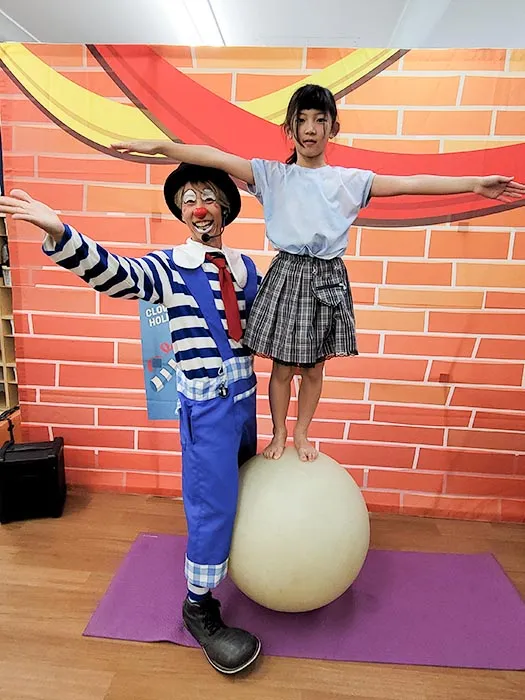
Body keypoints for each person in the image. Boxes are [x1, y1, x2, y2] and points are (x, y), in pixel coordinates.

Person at [111, 84, 524, 465]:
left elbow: (409, 183)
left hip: (327, 277)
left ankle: (302, 432)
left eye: (320, 120)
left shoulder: (348, 181)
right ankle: (279, 432)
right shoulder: (272, 175)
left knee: (313, 369)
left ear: (333, 128)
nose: (310, 129)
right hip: (288, 272)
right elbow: (214, 157)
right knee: (282, 367)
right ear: (289, 129)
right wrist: (161, 146)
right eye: (302, 120)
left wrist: (475, 184)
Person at [0, 164, 263, 675]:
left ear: (226, 208)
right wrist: (60, 231)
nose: (199, 207)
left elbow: (267, 323)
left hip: (245, 402)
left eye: (209, 196)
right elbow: (115, 273)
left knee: (246, 490)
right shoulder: (168, 267)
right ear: (181, 213)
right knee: (211, 504)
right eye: (189, 200)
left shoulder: (245, 268)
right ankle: (198, 605)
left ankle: (247, 567)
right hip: (207, 410)